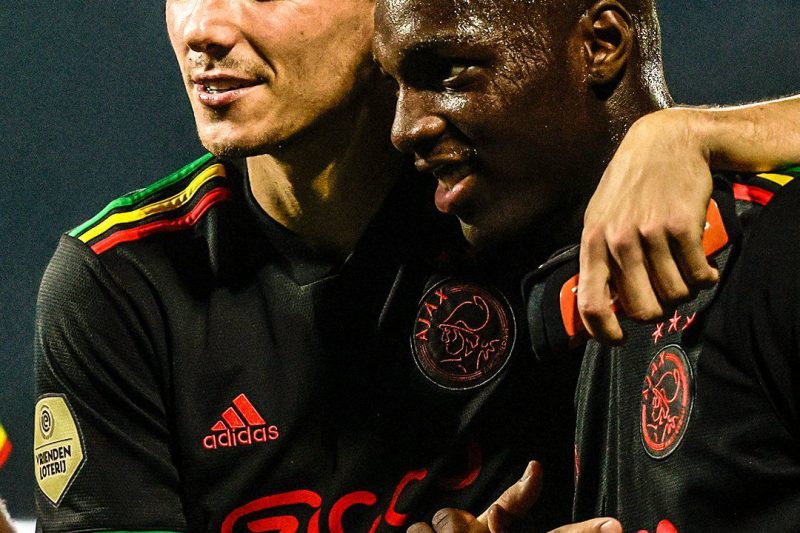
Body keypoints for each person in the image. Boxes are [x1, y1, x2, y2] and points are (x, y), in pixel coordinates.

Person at [34, 1, 797, 532]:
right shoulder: (121, 279)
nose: (202, 27)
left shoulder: (516, 197)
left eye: (447, 72)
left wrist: (692, 132)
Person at [373, 0, 800, 531]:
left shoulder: (772, 249)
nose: (402, 129)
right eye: (394, 86)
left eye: (447, 70)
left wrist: (691, 131)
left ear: (601, 44)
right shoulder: (574, 314)